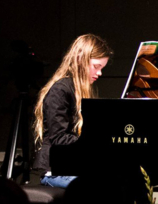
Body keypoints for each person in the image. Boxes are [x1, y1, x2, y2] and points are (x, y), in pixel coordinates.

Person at [32, 34, 113, 188]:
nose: (100, 73)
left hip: (70, 167)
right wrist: (94, 144)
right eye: (96, 66)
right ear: (80, 60)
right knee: (101, 187)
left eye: (102, 68)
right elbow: (58, 137)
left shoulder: (79, 90)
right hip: (55, 170)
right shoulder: (60, 90)